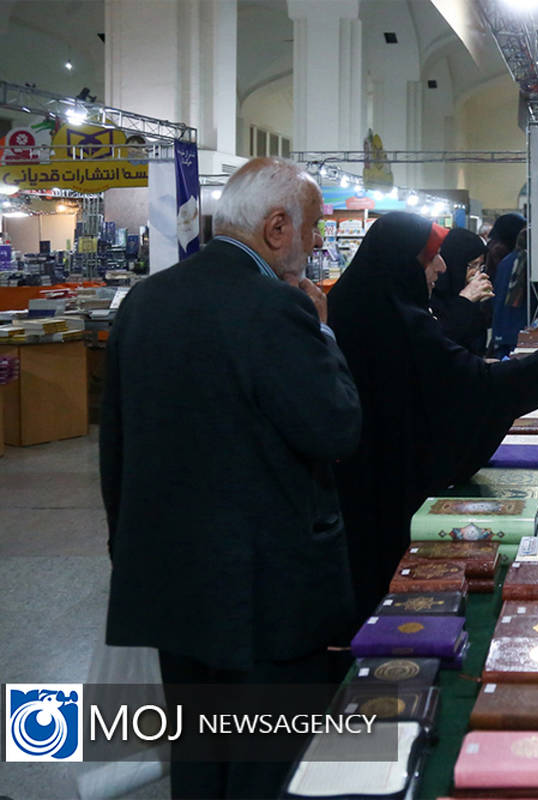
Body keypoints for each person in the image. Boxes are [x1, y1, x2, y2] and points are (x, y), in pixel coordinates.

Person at [101, 157, 362, 798]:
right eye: (313, 226)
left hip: (170, 580)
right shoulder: (275, 307)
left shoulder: (144, 300)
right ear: (277, 227)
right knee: (265, 762)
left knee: (198, 753)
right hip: (265, 592)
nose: (317, 242)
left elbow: (118, 447)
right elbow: (334, 428)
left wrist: (129, 552)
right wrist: (325, 335)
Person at [327, 211, 538, 619]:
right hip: (389, 500)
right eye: (431, 258)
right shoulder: (401, 325)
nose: (442, 268)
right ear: (403, 263)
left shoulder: (358, 308)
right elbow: (478, 389)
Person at [430, 227, 492, 355]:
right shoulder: (432, 295)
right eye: (473, 265)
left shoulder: (471, 297)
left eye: (481, 266)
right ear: (456, 264)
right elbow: (441, 342)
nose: (477, 272)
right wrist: (465, 300)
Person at [490, 226, 529, 357]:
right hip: (519, 331)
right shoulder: (529, 264)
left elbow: (497, 299)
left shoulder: (505, 262)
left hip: (502, 330)